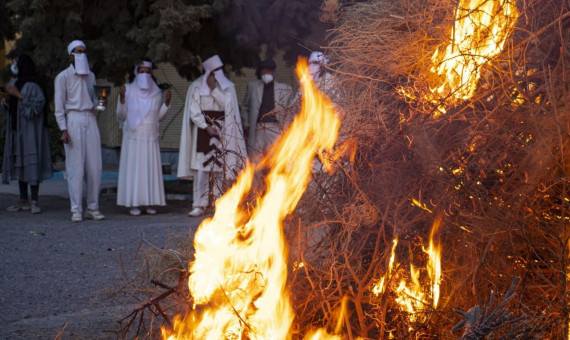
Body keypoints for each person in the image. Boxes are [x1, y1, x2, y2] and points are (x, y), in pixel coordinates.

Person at [177, 54, 247, 217]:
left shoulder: (228, 86)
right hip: (203, 131)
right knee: (202, 169)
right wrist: (205, 126)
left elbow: (228, 106)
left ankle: (218, 202)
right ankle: (199, 204)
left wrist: (214, 89)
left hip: (222, 129)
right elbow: (193, 110)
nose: (218, 72)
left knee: (219, 169)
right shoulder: (196, 86)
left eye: (219, 70)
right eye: (214, 70)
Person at [54, 40, 105, 223]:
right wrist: (63, 129)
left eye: (83, 51)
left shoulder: (91, 76)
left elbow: (96, 99)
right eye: (77, 51)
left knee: (94, 166)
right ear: (70, 55)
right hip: (73, 119)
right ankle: (76, 209)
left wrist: (101, 103)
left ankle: (93, 207)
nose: (81, 54)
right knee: (75, 167)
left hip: (89, 118)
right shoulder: (63, 77)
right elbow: (59, 107)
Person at [116, 60, 171, 216]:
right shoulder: (127, 90)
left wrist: (166, 104)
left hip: (150, 136)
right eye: (141, 71)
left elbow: (158, 117)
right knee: (135, 169)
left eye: (148, 71)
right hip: (133, 136)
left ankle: (148, 203)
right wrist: (122, 100)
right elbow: (121, 115)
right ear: (136, 72)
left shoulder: (156, 92)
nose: (145, 75)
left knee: (149, 169)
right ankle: (134, 203)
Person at [2, 54, 53, 213]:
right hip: (17, 131)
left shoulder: (34, 86)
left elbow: (37, 107)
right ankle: (22, 199)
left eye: (17, 63)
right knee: (20, 162)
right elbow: (9, 110)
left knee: (32, 161)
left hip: (31, 131)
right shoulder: (14, 83)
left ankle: (35, 200)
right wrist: (6, 101)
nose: (14, 65)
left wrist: (18, 96)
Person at [241, 59, 293, 157]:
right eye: (264, 71)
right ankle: (256, 173)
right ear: (260, 72)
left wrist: (286, 127)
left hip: (276, 127)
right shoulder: (253, 86)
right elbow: (245, 106)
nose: (266, 73)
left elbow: (290, 110)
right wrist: (246, 124)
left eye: (269, 70)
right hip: (258, 128)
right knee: (256, 158)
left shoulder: (284, 88)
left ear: (273, 72)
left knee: (276, 158)